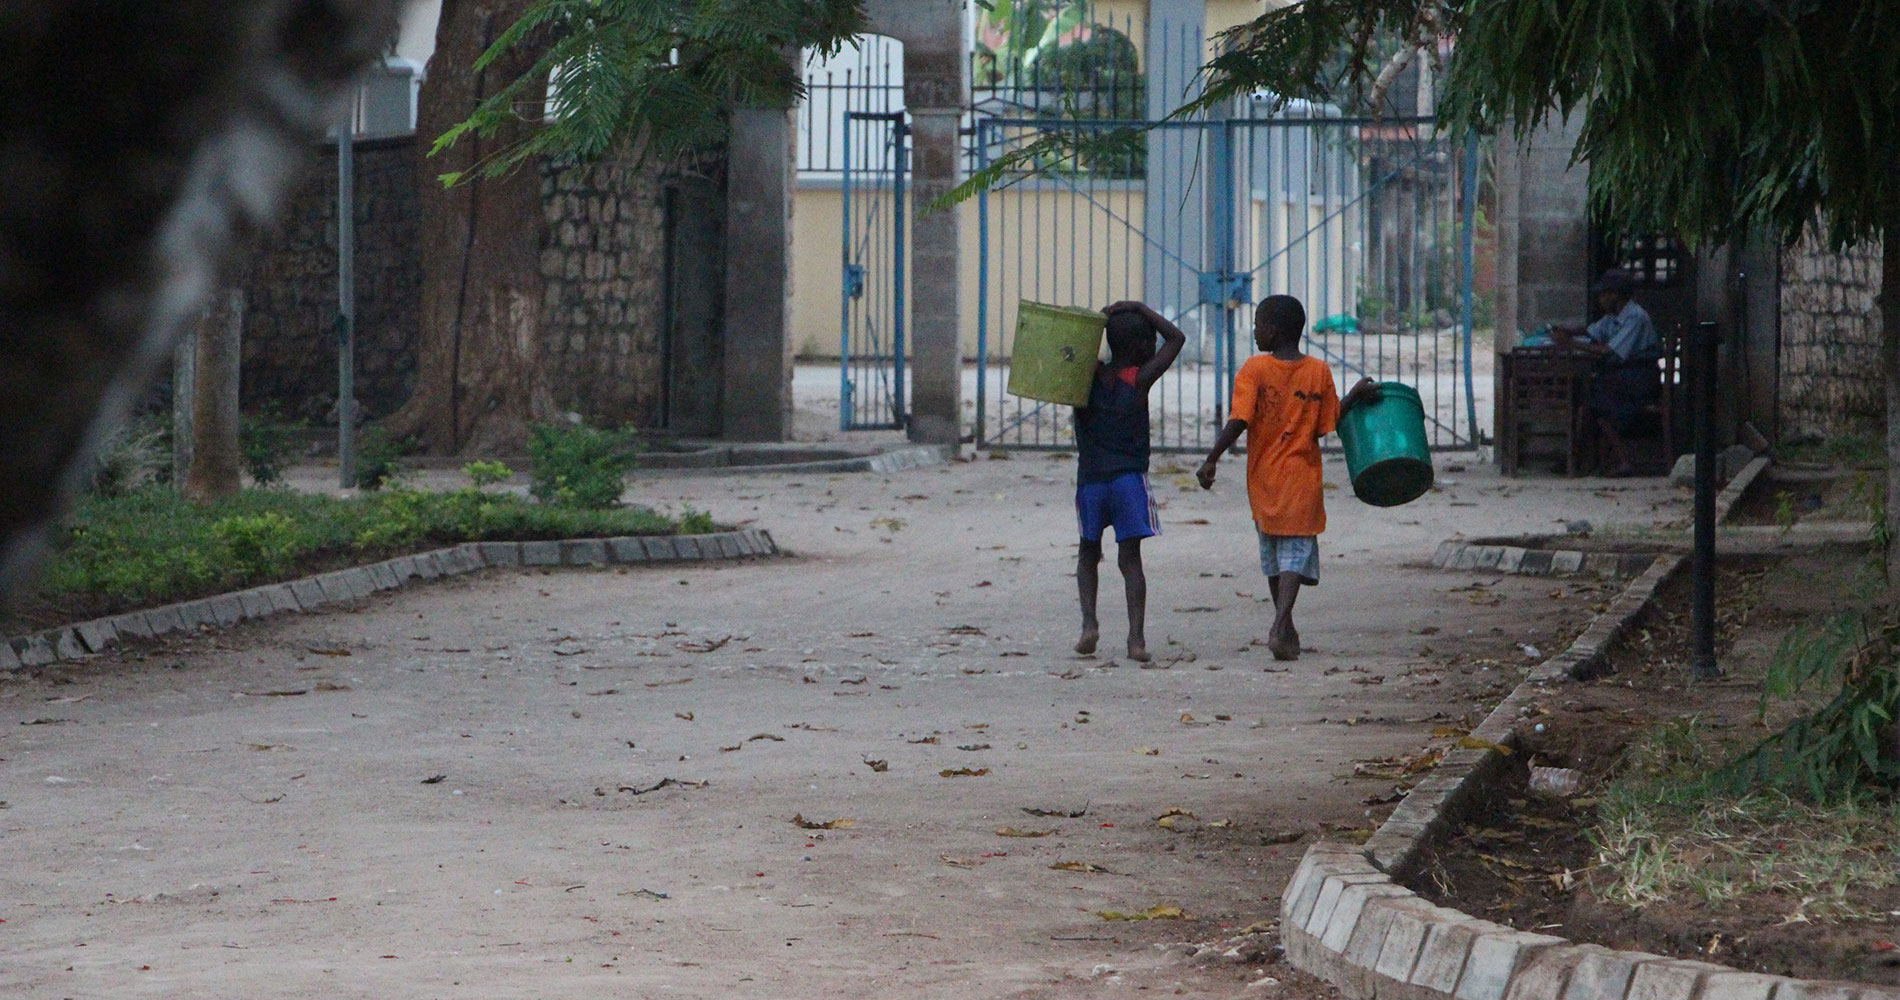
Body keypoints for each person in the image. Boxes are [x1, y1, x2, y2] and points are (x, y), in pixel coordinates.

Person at [1195, 295, 1377, 661]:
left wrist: (1212, 457)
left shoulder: (1254, 370)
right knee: (1295, 551)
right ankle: (1283, 622)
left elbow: (1239, 419)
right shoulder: (1318, 372)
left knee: (1274, 553)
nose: (1255, 331)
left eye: (1259, 324)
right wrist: (1354, 395)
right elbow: (1330, 423)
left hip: (1264, 478)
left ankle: (1281, 621)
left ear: (1273, 331)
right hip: (1302, 476)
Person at [1072, 300, 1186, 662]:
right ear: (1141, 348)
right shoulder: (1138, 379)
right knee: (1130, 560)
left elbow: (1065, 347)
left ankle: (1089, 625)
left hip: (1091, 480)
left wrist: (1096, 323)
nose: (1153, 346)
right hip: (1128, 482)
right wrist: (1139, 307)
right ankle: (1135, 639)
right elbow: (1176, 338)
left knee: (1088, 553)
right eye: (1148, 342)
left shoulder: (1084, 377)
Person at [1550, 268, 1662, 477]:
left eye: (1603, 295)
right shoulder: (1613, 316)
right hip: (1623, 376)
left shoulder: (1635, 317)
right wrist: (1567, 331)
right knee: (1587, 396)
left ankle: (1621, 460)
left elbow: (1607, 350)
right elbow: (1592, 331)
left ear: (1615, 295)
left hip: (1639, 378)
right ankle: (1581, 459)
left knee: (1597, 402)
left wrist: (1569, 343)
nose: (1600, 300)